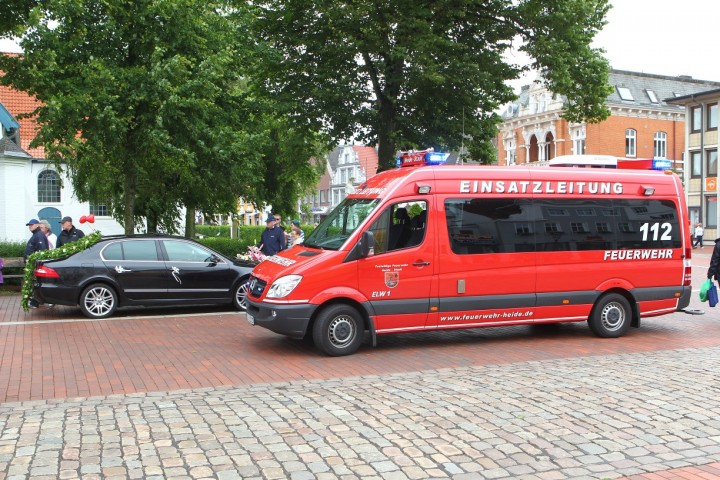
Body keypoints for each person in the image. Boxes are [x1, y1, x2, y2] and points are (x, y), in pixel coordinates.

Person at [24, 219, 49, 309]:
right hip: (33, 265)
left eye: (32, 225)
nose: (30, 226)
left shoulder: (39, 236)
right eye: (29, 225)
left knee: (36, 283)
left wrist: (36, 265)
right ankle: (37, 301)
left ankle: (36, 302)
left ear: (37, 225)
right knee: (35, 283)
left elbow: (42, 252)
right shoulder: (36, 235)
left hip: (36, 265)